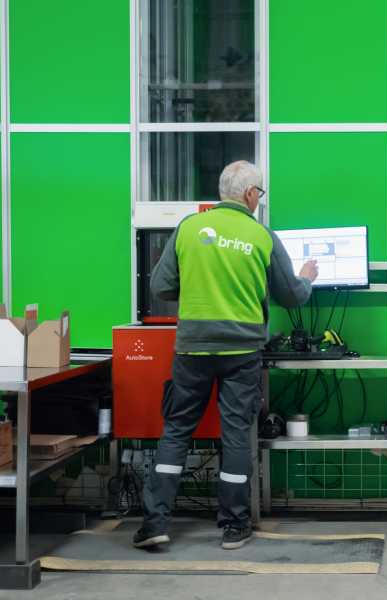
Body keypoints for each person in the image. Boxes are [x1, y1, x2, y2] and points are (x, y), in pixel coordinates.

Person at [134, 160, 318, 551]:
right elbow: (291, 296)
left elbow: (161, 287)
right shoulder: (261, 235)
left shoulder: (188, 228)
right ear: (251, 195)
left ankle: (154, 524)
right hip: (242, 351)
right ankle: (234, 526)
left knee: (177, 430)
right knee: (235, 434)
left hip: (192, 349)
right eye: (260, 193)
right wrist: (307, 277)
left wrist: (202, 284)